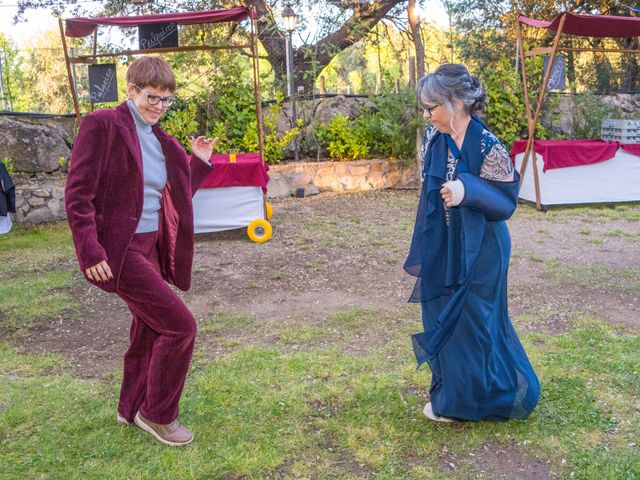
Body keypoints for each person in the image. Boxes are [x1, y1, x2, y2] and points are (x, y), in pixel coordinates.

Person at [65, 56, 217, 446]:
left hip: (150, 247)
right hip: (118, 251)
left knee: (148, 329)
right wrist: (90, 250)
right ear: (131, 90)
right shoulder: (101, 125)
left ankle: (130, 408)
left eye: (168, 101)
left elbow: (176, 196)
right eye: (152, 97)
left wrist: (197, 161)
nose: (159, 107)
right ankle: (158, 415)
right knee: (179, 325)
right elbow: (78, 195)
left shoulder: (164, 141)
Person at [404, 64, 540, 422]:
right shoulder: (438, 142)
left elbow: (506, 203)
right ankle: (458, 396)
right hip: (449, 244)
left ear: (455, 103)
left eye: (431, 107)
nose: (427, 115)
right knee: (447, 315)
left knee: (477, 320)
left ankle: (492, 395)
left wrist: (467, 190)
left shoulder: (486, 144)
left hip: (484, 249)